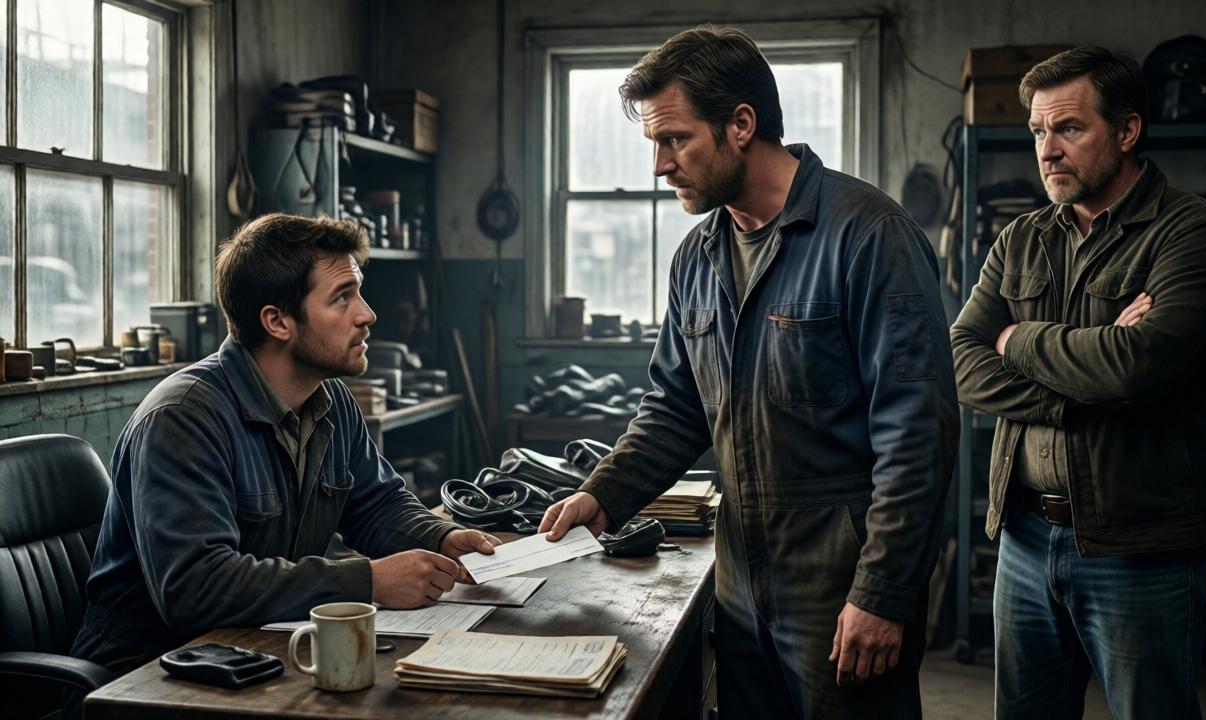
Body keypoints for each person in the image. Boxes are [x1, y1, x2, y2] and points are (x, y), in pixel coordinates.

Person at [538, 26, 958, 719]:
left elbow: (918, 436)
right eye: (653, 145)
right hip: (739, 580)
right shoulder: (698, 257)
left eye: (675, 140)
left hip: (838, 580)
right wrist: (602, 495)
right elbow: (677, 408)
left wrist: (881, 593)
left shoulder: (866, 236)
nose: (660, 166)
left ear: (740, 125)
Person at [72, 213, 500, 674]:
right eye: (342, 298)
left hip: (258, 647)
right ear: (277, 321)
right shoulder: (181, 419)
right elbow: (196, 588)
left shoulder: (328, 397)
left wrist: (442, 536)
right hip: (149, 669)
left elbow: (377, 504)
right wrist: (367, 581)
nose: (367, 314)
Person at [950, 47, 1206, 719]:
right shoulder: (1019, 239)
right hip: (1024, 538)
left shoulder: (1192, 234)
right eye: (1037, 132)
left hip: (1141, 549)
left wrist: (1016, 341)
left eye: (1069, 128)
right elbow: (963, 362)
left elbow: (1140, 366)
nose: (1047, 150)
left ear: (1127, 131)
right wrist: (1096, 370)